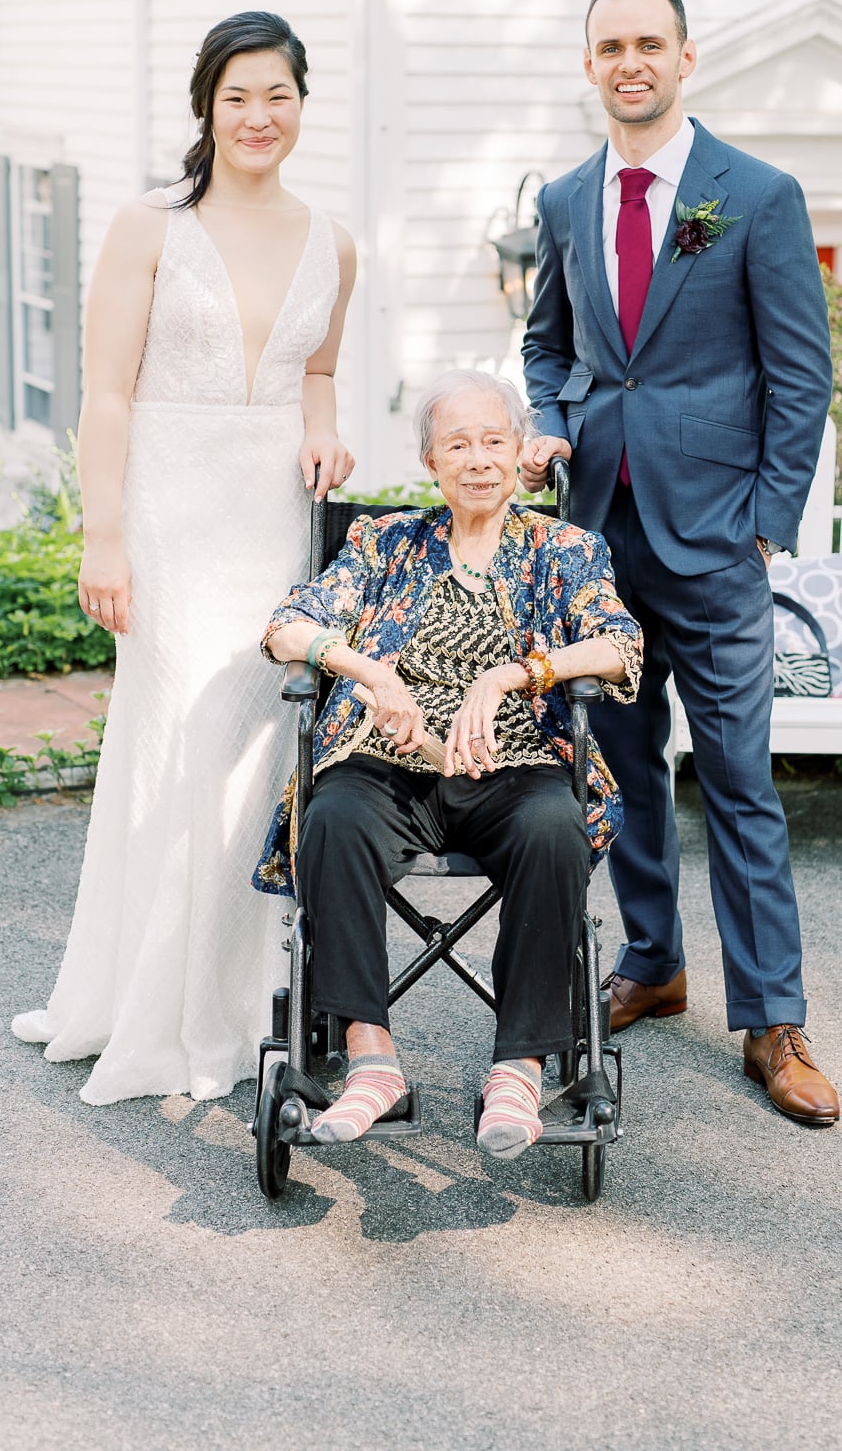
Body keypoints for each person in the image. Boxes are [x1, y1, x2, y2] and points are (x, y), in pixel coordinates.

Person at [12, 11, 355, 1105]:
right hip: (167, 513)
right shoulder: (149, 226)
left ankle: (234, 1004)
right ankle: (144, 1009)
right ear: (207, 107)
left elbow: (318, 374)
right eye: (238, 96)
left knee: (254, 757)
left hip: (268, 523)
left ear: (304, 104)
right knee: (172, 742)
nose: (259, 117)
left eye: (279, 96)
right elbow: (105, 391)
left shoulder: (333, 240)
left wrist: (322, 428)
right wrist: (101, 534)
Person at [519, 0, 840, 1126]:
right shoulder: (563, 199)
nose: (630, 62)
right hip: (596, 540)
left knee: (741, 781)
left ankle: (772, 1020)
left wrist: (767, 520)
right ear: (590, 63)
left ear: (686, 57)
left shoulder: (753, 195)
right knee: (620, 766)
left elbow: (799, 373)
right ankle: (652, 963)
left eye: (649, 43)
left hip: (713, 540)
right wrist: (549, 427)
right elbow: (547, 345)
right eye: (609, 45)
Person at [257, 370, 642, 1158]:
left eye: (494, 442)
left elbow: (621, 644)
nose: (478, 460)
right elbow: (288, 627)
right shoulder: (383, 543)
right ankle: (372, 1061)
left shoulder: (563, 549)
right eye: (457, 444)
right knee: (330, 817)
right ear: (430, 461)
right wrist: (371, 673)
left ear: (516, 454)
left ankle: (518, 1069)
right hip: (390, 760)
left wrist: (513, 673)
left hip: (516, 761)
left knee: (554, 825)